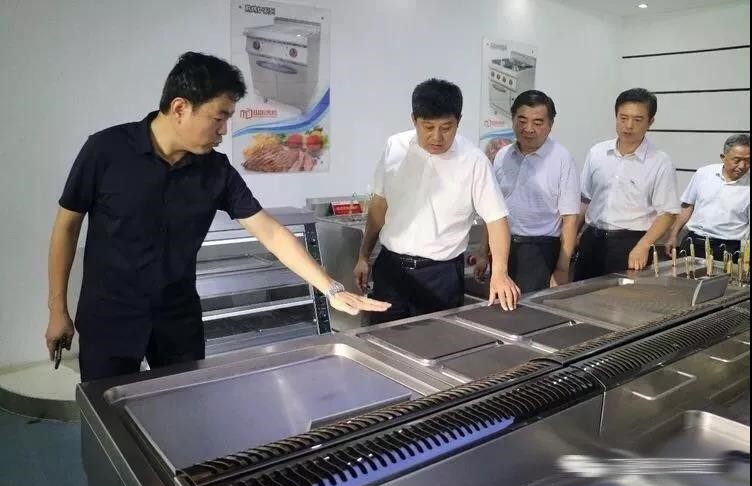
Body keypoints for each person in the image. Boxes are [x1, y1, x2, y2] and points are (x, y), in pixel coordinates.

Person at [45, 52, 389, 382]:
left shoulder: (215, 170)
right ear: (180, 108)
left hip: (177, 319)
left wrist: (330, 288)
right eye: (219, 117)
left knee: (184, 406)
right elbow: (66, 228)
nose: (224, 130)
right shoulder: (105, 151)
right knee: (106, 410)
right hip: (109, 316)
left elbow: (269, 231)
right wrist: (57, 310)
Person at [353, 78, 520, 324]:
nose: (437, 137)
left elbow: (496, 220)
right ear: (414, 120)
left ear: (458, 121)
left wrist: (500, 273)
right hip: (391, 268)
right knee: (381, 338)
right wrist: (363, 256)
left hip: (441, 275)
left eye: (446, 127)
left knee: (435, 341)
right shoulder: (395, 147)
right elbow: (379, 206)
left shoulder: (474, 161)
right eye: (428, 127)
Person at [473, 90, 580, 293]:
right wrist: (482, 252)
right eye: (522, 120)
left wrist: (562, 269)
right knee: (500, 307)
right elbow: (494, 211)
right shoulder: (502, 156)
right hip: (503, 249)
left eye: (538, 122)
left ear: (550, 125)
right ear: (513, 120)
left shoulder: (562, 159)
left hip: (540, 251)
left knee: (530, 309)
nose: (528, 129)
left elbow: (570, 220)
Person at [574, 88, 680, 280]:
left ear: (650, 122)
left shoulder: (660, 161)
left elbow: (668, 213)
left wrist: (643, 245)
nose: (629, 126)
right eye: (623, 118)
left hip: (631, 244)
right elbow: (585, 199)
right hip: (593, 240)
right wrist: (573, 235)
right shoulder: (597, 152)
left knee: (621, 298)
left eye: (638, 120)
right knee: (581, 293)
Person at [666, 133, 750, 261]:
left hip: (730, 247)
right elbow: (687, 206)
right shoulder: (704, 173)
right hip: (695, 241)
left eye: (748, 161)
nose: (742, 166)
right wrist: (673, 235)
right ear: (723, 157)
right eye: (737, 160)